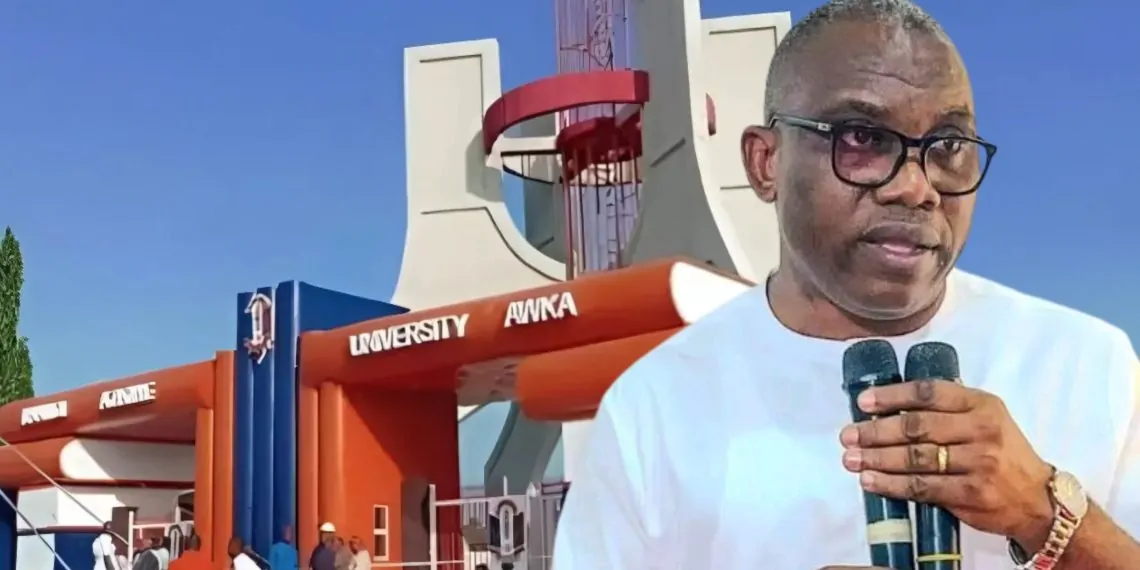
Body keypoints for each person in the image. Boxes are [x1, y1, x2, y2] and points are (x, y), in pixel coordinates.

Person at [552, 1, 1139, 569]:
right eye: (862, 139)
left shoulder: (1089, 366)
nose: (915, 187)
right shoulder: (654, 408)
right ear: (765, 163)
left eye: (948, 147)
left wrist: (1044, 513)